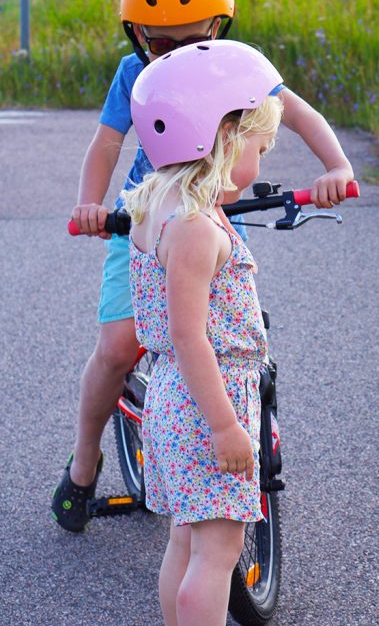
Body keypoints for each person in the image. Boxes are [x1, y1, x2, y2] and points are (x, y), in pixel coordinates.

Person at [53, 0, 354, 532]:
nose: (171, 53)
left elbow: (299, 115)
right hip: (147, 225)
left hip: (215, 221)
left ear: (218, 28)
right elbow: (108, 145)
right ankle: (86, 458)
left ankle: (247, 424)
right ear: (136, 33)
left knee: (238, 336)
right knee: (119, 348)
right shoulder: (132, 72)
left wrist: (336, 167)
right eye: (157, 42)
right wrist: (92, 204)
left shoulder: (241, 68)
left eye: (188, 40)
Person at [123, 39, 282, 624]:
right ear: (224, 136)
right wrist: (226, 426)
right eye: (259, 148)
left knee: (186, 544)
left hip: (174, 396)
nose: (262, 164)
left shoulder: (162, 203)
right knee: (218, 552)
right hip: (203, 401)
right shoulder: (194, 227)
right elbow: (191, 337)